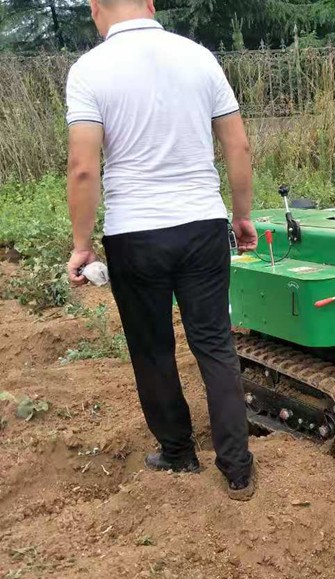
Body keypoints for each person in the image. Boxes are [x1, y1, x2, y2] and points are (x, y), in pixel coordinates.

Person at [65, 0, 259, 498]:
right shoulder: (199, 56)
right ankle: (237, 469)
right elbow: (237, 146)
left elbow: (84, 168)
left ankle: (177, 453)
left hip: (136, 233)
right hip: (201, 222)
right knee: (214, 342)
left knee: (152, 349)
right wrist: (241, 216)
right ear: (150, 4)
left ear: (95, 11)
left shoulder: (89, 70)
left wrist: (82, 246)